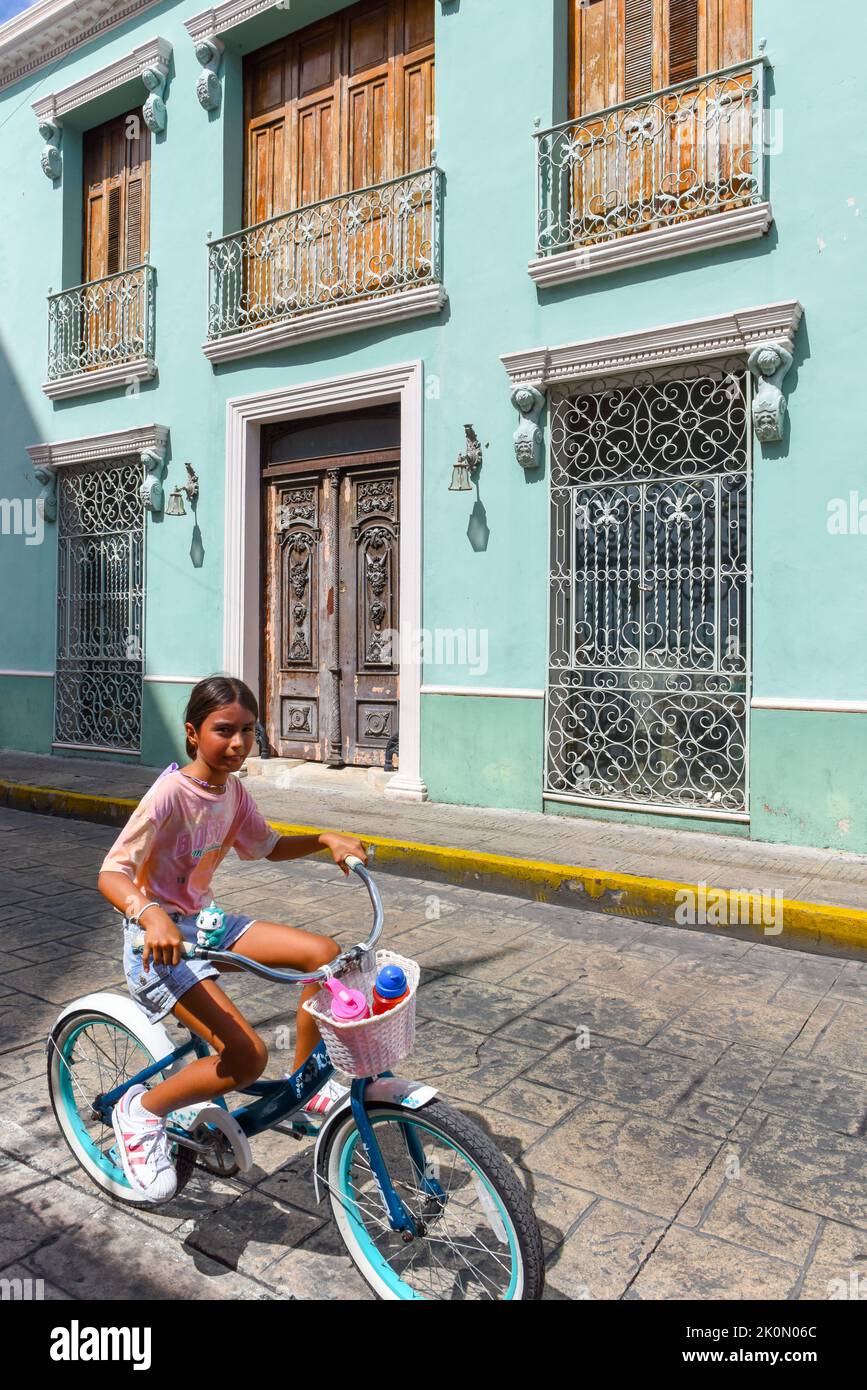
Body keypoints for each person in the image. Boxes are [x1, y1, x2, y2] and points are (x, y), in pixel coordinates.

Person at [97, 674, 368, 1202]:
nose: (239, 743)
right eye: (225, 731)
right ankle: (141, 1112)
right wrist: (150, 915)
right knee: (246, 1058)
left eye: (248, 731)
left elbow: (264, 845)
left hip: (207, 926)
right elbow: (112, 872)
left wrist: (324, 839)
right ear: (193, 732)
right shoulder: (169, 795)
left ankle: (306, 1091)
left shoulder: (232, 791)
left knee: (326, 959)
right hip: (159, 943)